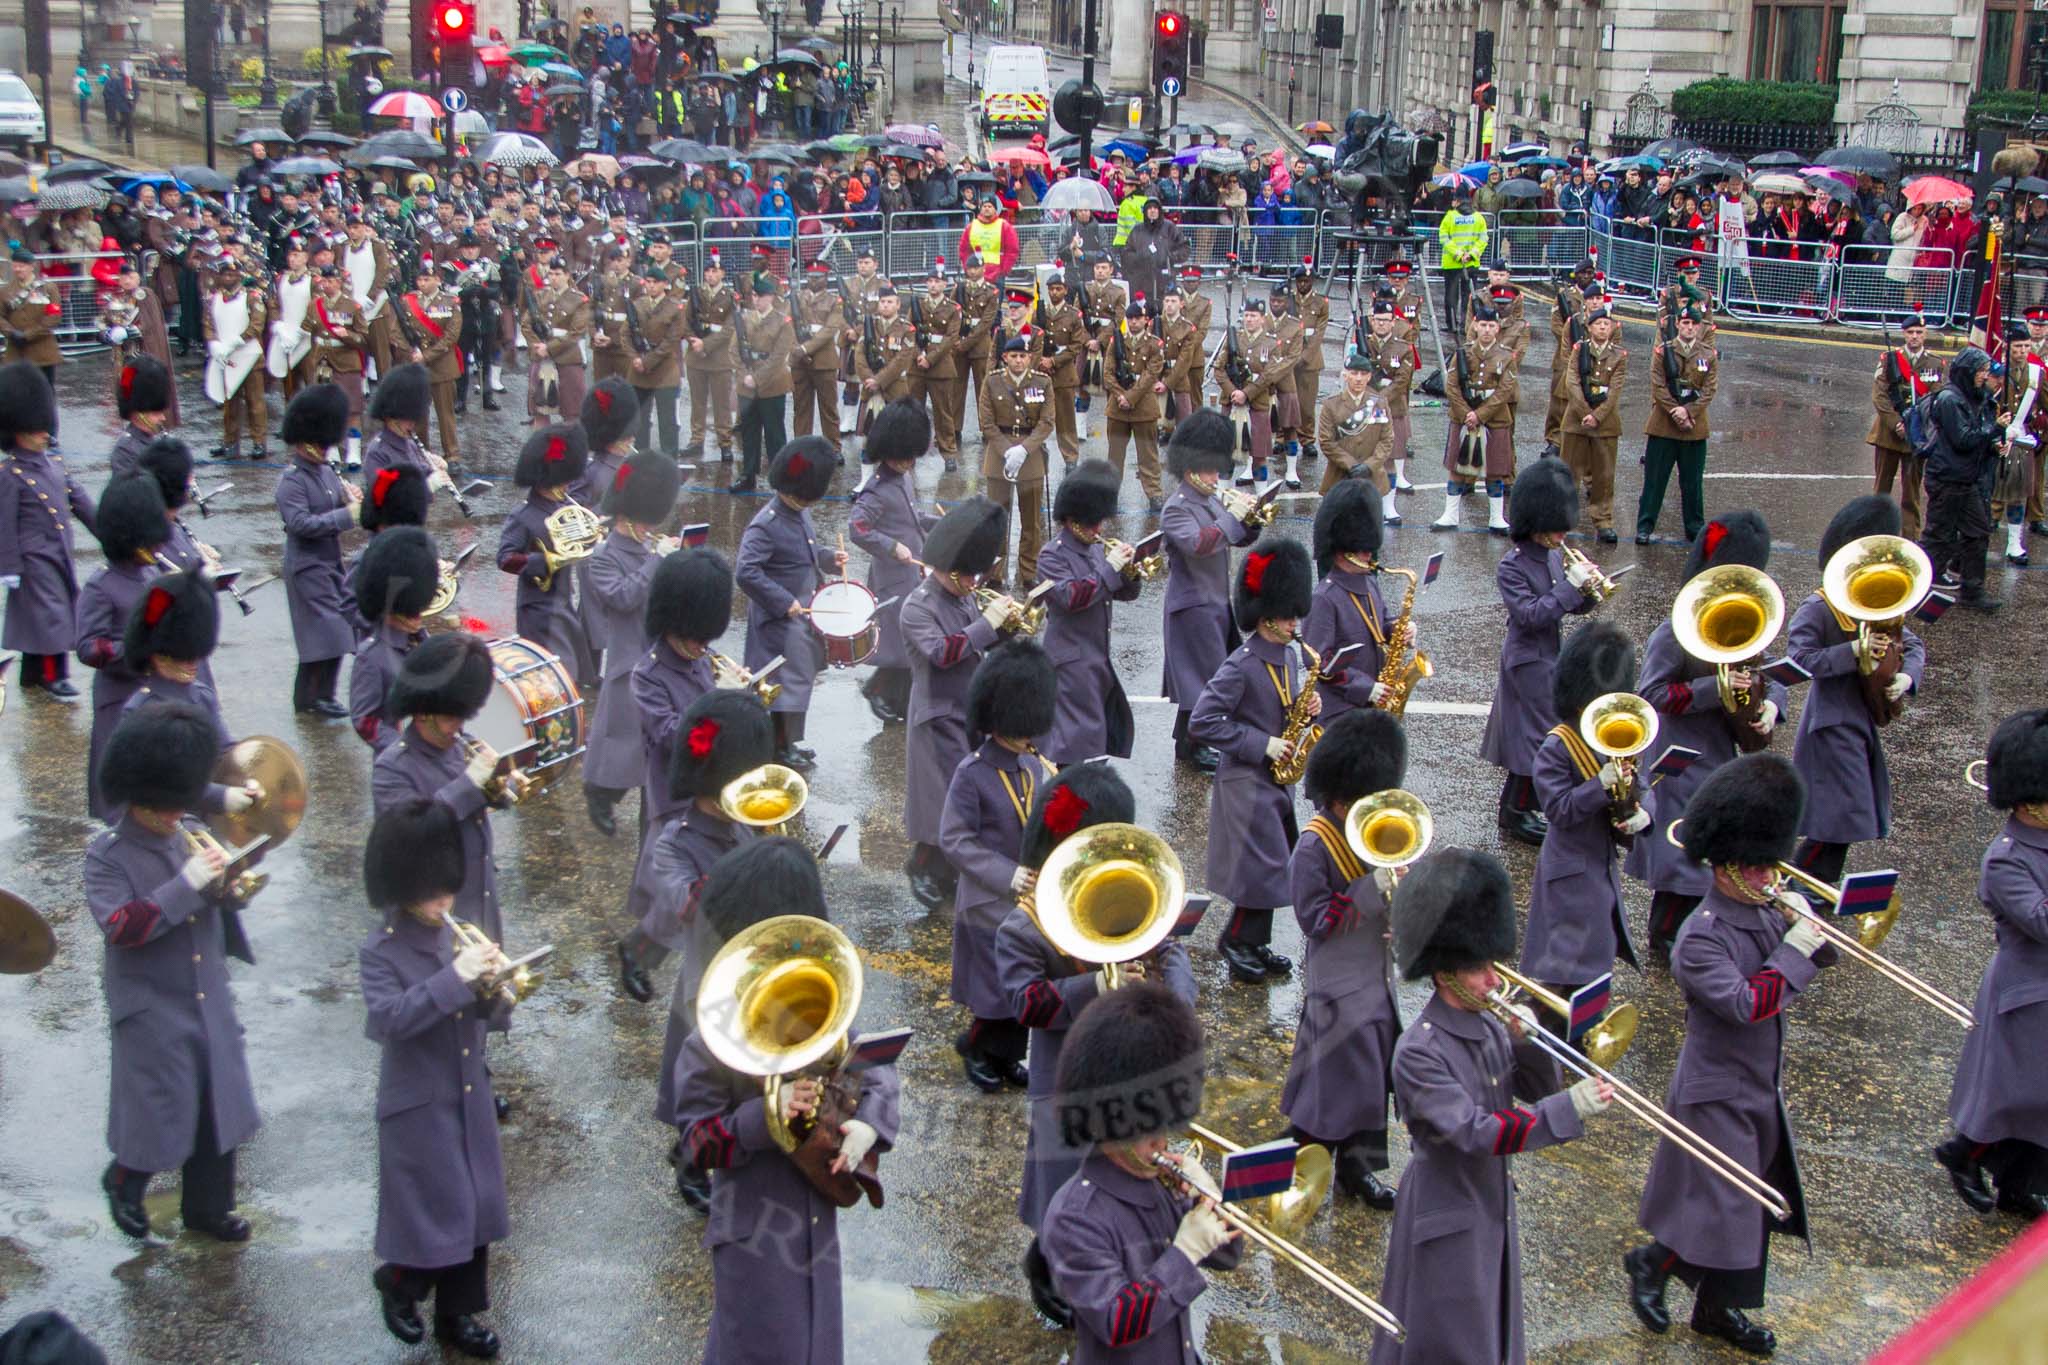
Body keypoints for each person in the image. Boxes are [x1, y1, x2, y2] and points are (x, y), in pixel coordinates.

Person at [1628, 754, 1836, 1358]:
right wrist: (1794, 950)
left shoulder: (1761, 909)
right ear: (1725, 867)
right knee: (1727, 1202)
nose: (1771, 877)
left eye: (1772, 866)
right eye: (1759, 867)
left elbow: (1808, 964)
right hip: (1715, 1087)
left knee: (1740, 1206)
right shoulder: (1702, 936)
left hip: (1755, 1081)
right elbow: (1747, 1003)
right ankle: (1655, 1263)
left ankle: (1716, 1308)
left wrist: (1815, 933)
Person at [1369, 846, 1611, 1363]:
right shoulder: (1419, 1051)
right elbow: (1478, 1132)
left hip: (1488, 1206)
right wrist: (1567, 1110)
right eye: (1479, 969)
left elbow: (1534, 1089)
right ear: (1444, 972)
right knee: (1453, 1345)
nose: (1495, 980)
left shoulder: (1486, 1023)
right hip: (1448, 1210)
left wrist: (1526, 1039)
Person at [671, 837, 900, 1365]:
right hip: (754, 1231)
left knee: (816, 1344)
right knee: (760, 1348)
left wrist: (871, 1123)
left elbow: (875, 1063)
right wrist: (764, 1119)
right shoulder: (714, 1033)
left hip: (817, 1214)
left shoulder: (816, 999)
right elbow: (698, 1143)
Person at [89, 702, 264, 1245]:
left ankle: (209, 1209)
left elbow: (214, 898)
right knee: (160, 1110)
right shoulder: (107, 855)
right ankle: (127, 1178)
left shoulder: (187, 828)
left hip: (206, 990)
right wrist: (187, 884)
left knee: (217, 1104)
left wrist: (228, 889)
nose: (173, 814)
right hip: (152, 1003)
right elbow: (123, 926)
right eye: (163, 805)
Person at [361, 798, 511, 1359]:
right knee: (437, 1212)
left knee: (474, 1210)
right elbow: (390, 1020)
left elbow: (483, 1017)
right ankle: (400, 1283)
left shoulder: (458, 934)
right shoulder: (380, 951)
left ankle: (458, 1317)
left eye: (446, 888)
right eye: (431, 893)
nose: (443, 902)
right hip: (420, 1101)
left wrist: (493, 989)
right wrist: (455, 979)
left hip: (468, 1092)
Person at [1038, 980, 1241, 1362]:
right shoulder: (1073, 1217)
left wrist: (1211, 1201)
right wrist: (1184, 1252)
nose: (1163, 1141)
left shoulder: (1163, 1182)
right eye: (1149, 1129)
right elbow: (1119, 1322)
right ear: (1108, 1125)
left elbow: (1227, 1257)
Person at [1628, 512, 1788, 960]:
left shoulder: (1743, 623)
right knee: (1681, 852)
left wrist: (1773, 707)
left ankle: (1695, 932)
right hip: (1679, 757)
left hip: (1720, 754)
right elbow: (1652, 694)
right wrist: (1713, 689)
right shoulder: (1674, 630)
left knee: (1709, 852)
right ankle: (1665, 938)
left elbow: (1769, 673)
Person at [1282, 707, 1408, 1207]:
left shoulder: (1369, 828)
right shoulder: (1314, 846)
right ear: (1339, 795)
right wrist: (1369, 891)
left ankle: (1358, 1172)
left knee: (1372, 1077)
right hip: (1335, 982)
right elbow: (1315, 920)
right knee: (1328, 1085)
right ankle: (1304, 1167)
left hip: (1376, 974)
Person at [1936, 709, 2048, 1220]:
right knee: (2018, 1097)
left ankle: (2017, 1187)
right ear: (2029, 803)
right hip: (2027, 992)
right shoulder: (2005, 858)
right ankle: (1964, 1153)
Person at [1192, 534, 1316, 984]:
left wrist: (1304, 709)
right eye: (1287, 616)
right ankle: (1238, 942)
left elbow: (1282, 707)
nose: (1295, 622)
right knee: (1258, 871)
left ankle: (1252, 942)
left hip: (1274, 781)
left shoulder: (1288, 657)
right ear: (1265, 617)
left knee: (1270, 867)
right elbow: (1203, 722)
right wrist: (1260, 743)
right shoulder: (1240, 665)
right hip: (1245, 782)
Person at [614, 548, 734, 1005]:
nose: (702, 646)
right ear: (672, 624)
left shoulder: (702, 655)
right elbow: (669, 735)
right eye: (695, 638)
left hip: (712, 791)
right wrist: (720, 713)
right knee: (674, 892)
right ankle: (638, 952)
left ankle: (641, 950)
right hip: (674, 792)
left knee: (693, 889)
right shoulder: (647, 675)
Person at [1788, 495, 1926, 888]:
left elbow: (1913, 644)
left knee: (1841, 822)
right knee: (1840, 820)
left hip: (1859, 720)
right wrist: (1853, 652)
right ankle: (1804, 892)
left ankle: (1810, 892)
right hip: (1831, 723)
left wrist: (1907, 678)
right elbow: (1801, 657)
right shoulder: (1820, 607)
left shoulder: (1872, 604)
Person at [942, 640, 1059, 1092]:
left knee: (1020, 986)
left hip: (1027, 901)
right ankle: (975, 1047)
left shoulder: (1032, 767)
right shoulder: (971, 774)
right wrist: (1007, 875)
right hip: (988, 900)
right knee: (992, 994)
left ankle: (1007, 1056)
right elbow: (955, 838)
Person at [1519, 621, 1649, 1023]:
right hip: (1570, 873)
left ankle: (1581, 1036)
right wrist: (1599, 786)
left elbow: (1641, 781)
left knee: (1594, 965)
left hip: (1601, 866)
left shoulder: (1611, 734)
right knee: (1566, 971)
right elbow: (1558, 810)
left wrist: (1644, 812)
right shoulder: (1558, 745)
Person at [901, 497, 1014, 909]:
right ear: (951, 570)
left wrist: (1007, 628)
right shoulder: (917, 607)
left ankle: (945, 869)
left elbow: (975, 644)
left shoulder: (963, 593)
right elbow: (942, 653)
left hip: (965, 709)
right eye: (969, 574)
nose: (975, 581)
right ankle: (924, 865)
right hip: (935, 716)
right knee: (942, 802)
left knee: (962, 798)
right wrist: (988, 625)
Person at [1480, 458, 1600, 845]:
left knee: (1537, 737)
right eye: (1555, 527)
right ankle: (1515, 812)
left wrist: (1587, 591)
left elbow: (1563, 607)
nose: (1561, 535)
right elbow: (1531, 615)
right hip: (1526, 661)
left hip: (1548, 657)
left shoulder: (1551, 554)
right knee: (1531, 740)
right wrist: (1568, 588)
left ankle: (1518, 809)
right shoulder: (1511, 567)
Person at [581, 453, 683, 836]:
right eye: (645, 521)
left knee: (651, 744)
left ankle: (651, 810)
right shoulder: (603, 557)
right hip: (628, 659)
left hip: (657, 652)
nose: (650, 527)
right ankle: (601, 792)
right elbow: (623, 597)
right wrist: (657, 561)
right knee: (623, 743)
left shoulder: (645, 545)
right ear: (626, 517)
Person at [735, 436, 841, 769]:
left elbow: (804, 553)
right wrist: (783, 602)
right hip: (776, 624)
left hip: (798, 622)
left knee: (798, 685)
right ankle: (779, 750)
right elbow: (745, 571)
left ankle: (789, 743)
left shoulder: (797, 511)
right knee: (781, 691)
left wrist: (829, 559)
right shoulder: (765, 525)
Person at [1159, 411, 1257, 772]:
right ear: (1191, 471)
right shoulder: (1177, 509)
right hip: (1192, 605)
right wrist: (1231, 519)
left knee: (1203, 677)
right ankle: (1198, 745)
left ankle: (1186, 742)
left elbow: (1233, 536)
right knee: (1202, 680)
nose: (1218, 477)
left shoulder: (1210, 500)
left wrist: (1249, 521)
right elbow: (1199, 543)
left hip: (1214, 600)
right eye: (1212, 470)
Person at [1035, 460, 1141, 766]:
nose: (1099, 529)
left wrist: (1131, 571)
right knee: (1074, 750)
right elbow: (1072, 596)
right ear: (1071, 520)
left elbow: (1122, 593)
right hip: (1069, 664)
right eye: (1093, 522)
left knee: (1095, 748)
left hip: (1096, 658)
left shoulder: (1094, 548)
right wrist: (1110, 568)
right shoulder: (1051, 556)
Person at [77, 474, 170, 818]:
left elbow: (158, 620)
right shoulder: (101, 586)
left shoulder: (151, 575)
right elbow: (89, 646)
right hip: (119, 699)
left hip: (154, 693)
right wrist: (133, 650)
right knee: (122, 798)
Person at [275, 384, 362, 718]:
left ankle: (320, 695)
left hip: (328, 562)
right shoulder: (292, 481)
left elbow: (336, 500)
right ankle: (311, 698)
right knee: (324, 635)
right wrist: (345, 515)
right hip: (305, 566)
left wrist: (350, 498)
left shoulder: (325, 471)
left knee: (334, 633)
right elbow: (301, 524)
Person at [847, 401, 935, 723]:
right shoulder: (876, 491)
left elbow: (912, 518)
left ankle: (899, 699)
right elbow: (857, 528)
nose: (908, 461)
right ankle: (878, 690)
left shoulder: (904, 479)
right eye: (903, 456)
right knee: (898, 643)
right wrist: (890, 546)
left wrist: (938, 524)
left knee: (907, 641)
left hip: (912, 571)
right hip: (892, 575)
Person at [497, 423, 594, 684]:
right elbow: (505, 558)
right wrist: (546, 561)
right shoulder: (523, 516)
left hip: (562, 601)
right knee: (555, 678)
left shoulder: (564, 506)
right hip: (538, 609)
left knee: (570, 677)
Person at [1303, 475, 1401, 723]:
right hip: (1340, 712)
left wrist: (1399, 629)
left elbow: (1382, 623)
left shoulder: (1369, 582)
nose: (1369, 554)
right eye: (1363, 549)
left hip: (1373, 703)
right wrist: (1364, 687)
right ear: (1342, 551)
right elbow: (1319, 663)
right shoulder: (1325, 598)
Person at [1919, 345, 2005, 610]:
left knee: (1978, 532)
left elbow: (1975, 438)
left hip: (1966, 479)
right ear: (1968, 371)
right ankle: (1918, 589)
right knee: (1938, 537)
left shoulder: (1974, 396)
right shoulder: (1949, 399)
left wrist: (1993, 445)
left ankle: (1972, 591)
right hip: (1947, 478)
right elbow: (1963, 439)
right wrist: (1994, 430)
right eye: (1981, 371)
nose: (1984, 376)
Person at [348, 525, 438, 753]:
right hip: (399, 766)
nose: (417, 615)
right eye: (410, 609)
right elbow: (364, 721)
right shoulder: (372, 656)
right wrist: (403, 747)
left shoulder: (422, 643)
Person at [979, 325, 1056, 591]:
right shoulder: (992, 381)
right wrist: (1006, 450)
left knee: (1032, 522)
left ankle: (1028, 571)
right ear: (1005, 358)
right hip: (999, 454)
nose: (1019, 360)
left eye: (1023, 356)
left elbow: (1047, 422)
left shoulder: (1042, 382)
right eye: (1013, 356)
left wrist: (1023, 449)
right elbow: (986, 423)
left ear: (1030, 358)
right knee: (997, 518)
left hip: (1030, 455)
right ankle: (995, 572)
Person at [1432, 302, 1517, 534]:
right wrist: (1466, 414)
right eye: (1483, 325)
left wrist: (1480, 415)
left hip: (1494, 418)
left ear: (1497, 328)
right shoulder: (1463, 353)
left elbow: (1505, 390)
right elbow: (1452, 386)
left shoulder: (1506, 357)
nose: (1487, 330)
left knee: (1495, 469)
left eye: (1491, 325)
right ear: (1475, 326)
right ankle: (1450, 515)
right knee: (1456, 467)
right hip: (1463, 417)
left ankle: (1496, 518)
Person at [1636, 307, 1720, 544]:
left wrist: (1688, 411)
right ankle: (1645, 526)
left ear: (1700, 327)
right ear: (1679, 325)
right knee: (1655, 480)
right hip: (1664, 425)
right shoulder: (1664, 351)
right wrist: (1676, 411)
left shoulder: (1708, 354)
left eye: (1694, 324)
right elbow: (1658, 385)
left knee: (1692, 483)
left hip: (1694, 427)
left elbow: (1709, 389)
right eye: (1685, 323)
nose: (1690, 327)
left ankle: (1695, 529)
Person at [1558, 304, 1628, 543]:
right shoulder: (1580, 350)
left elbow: (1616, 390)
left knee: (1603, 476)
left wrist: (1596, 416)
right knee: (1569, 472)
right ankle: (1562, 518)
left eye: (1607, 324)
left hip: (1605, 423)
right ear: (1589, 328)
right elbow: (1572, 382)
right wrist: (1585, 412)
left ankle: (1603, 520)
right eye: (1598, 323)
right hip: (1576, 420)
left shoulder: (1619, 356)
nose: (1602, 327)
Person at [732, 270, 794, 494]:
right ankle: (748, 474)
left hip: (771, 383)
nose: (757, 299)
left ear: (771, 298)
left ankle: (781, 478)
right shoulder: (744, 319)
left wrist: (756, 378)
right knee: (749, 432)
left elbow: (779, 356)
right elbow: (734, 350)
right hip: (746, 384)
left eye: (761, 296)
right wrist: (743, 376)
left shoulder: (782, 322)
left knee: (774, 434)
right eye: (754, 296)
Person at [1104, 298, 1167, 506]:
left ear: (1146, 320)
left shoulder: (1154, 344)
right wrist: (1121, 395)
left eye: (1137, 318)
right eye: (1130, 318)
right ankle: (1111, 493)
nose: (1133, 322)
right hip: (1117, 407)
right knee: (1115, 455)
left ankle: (1154, 493)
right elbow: (1108, 373)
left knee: (1148, 454)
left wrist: (1130, 398)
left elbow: (1151, 374)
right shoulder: (1116, 341)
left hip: (1143, 407)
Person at [683, 250, 738, 462]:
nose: (710, 275)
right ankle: (697, 440)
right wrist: (693, 341)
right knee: (698, 402)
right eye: (707, 271)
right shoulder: (696, 293)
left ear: (722, 273)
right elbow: (686, 322)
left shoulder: (730, 297)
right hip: (696, 357)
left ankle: (725, 441)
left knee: (721, 403)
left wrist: (705, 344)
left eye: (714, 271)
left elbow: (729, 329)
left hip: (719, 358)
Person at [1315, 349, 1392, 498]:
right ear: (1345, 376)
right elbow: (1326, 441)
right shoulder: (1331, 405)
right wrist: (1351, 464)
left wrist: (1369, 465)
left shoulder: (1380, 404)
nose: (1358, 378)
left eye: (1363, 374)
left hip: (1372, 478)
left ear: (1369, 377)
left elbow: (1387, 439)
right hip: (1339, 476)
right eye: (1354, 373)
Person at [789, 262, 843, 454]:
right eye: (810, 276)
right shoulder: (796, 298)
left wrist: (805, 348)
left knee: (828, 409)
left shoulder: (835, 301)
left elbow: (829, 330)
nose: (813, 280)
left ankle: (833, 448)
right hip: (799, 362)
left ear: (826, 278)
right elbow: (789, 326)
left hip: (824, 362)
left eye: (818, 277)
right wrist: (797, 349)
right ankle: (800, 448)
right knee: (801, 407)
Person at [1435, 193, 1487, 329]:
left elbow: (1443, 238)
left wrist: (1458, 254)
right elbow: (1483, 239)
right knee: (1469, 297)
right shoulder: (1478, 217)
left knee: (1451, 296)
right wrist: (1471, 254)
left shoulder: (1450, 217)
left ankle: (1452, 325)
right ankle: (1467, 325)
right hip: (1471, 263)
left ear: (1457, 202)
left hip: (1452, 263)